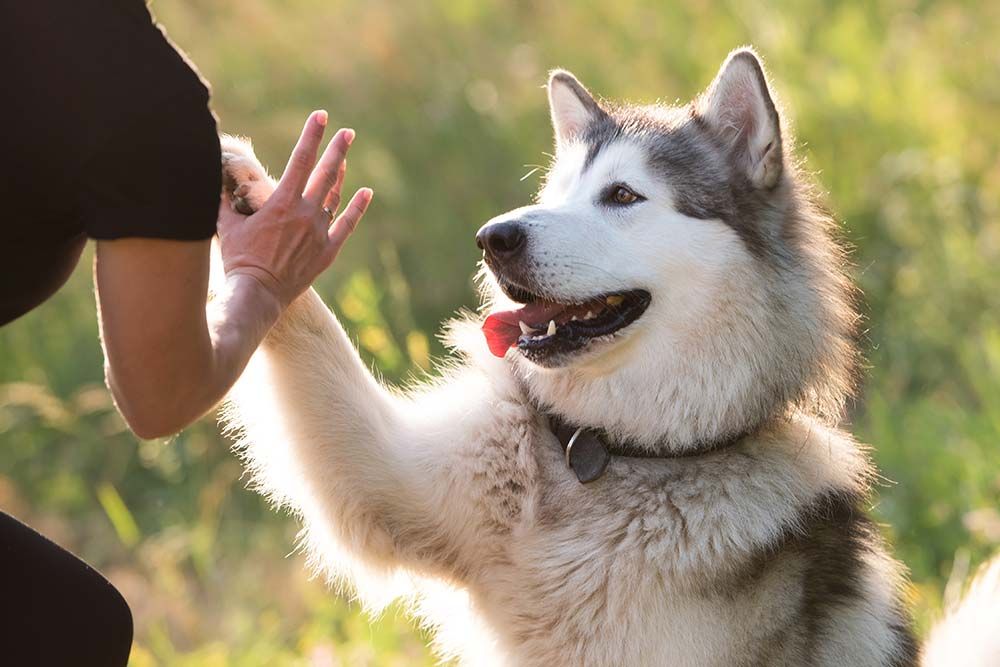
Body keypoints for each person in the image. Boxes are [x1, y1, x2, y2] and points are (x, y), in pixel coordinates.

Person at [0, 2, 372, 664]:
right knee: (66, 631)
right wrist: (259, 281)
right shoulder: (135, 95)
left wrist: (170, 177)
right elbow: (159, 395)